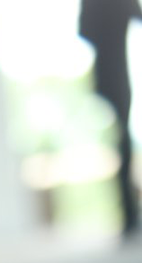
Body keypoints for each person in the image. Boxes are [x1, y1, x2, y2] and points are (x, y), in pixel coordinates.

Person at [80, 0, 142, 236]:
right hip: (115, 75)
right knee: (121, 144)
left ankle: (129, 212)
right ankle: (129, 213)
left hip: (107, 75)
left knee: (120, 143)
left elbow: (84, 31)